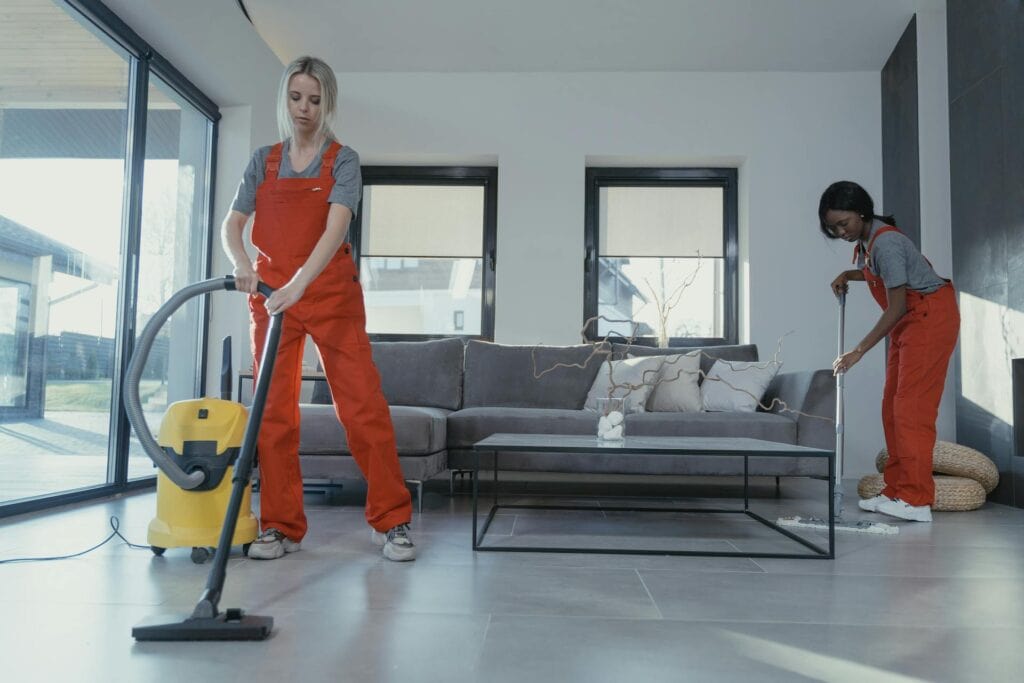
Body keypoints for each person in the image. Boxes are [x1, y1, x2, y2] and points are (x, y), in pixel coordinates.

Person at [221, 56, 415, 560]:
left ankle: (392, 520)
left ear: (327, 103)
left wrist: (299, 284)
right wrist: (243, 263)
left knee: (362, 407)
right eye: (296, 97)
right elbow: (232, 224)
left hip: (328, 292)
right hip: (271, 298)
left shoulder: (342, 160)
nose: (304, 108)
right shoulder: (263, 161)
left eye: (315, 99)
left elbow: (335, 230)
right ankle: (282, 526)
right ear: (284, 99)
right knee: (274, 414)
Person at [819, 180, 960, 522]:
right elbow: (878, 276)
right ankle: (897, 490)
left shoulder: (888, 243)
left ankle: (916, 499)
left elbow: (896, 305)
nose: (841, 232)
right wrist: (848, 274)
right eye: (833, 228)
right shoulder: (868, 243)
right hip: (909, 321)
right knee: (892, 406)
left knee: (911, 409)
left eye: (844, 223)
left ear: (862, 212)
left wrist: (857, 351)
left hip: (927, 317)